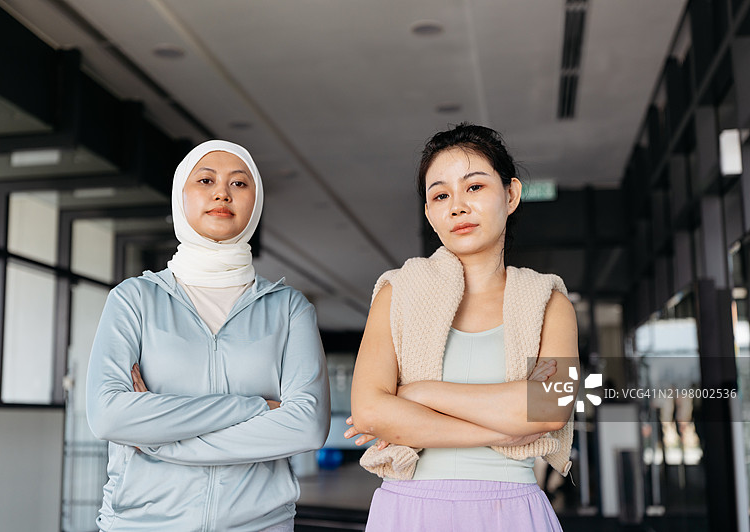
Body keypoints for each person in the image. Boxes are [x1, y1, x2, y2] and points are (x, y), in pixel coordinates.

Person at [86, 140, 330, 532]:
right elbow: (108, 415)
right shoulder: (134, 299)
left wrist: (158, 441)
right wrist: (255, 408)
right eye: (205, 180)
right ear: (179, 196)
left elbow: (307, 426)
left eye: (239, 183)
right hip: (143, 524)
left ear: (256, 202)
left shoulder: (289, 308)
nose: (222, 193)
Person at [345, 123, 579, 531]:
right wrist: (503, 432)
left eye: (474, 187)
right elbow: (368, 412)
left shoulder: (550, 302)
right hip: (409, 511)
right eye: (441, 195)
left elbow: (550, 408)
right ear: (429, 214)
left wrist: (418, 394)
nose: (457, 206)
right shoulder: (396, 292)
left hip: (511, 512)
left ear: (511, 195)